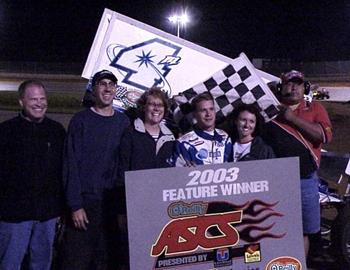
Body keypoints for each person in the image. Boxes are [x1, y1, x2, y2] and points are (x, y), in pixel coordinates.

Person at [59, 70, 130, 269]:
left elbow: (125, 164)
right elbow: (70, 164)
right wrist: (75, 205)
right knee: (76, 261)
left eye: (111, 84)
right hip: (85, 204)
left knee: (105, 261)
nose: (107, 88)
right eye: (102, 83)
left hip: (110, 205)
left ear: (116, 90)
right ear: (94, 89)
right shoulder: (81, 121)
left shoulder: (123, 122)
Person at [261, 70, 333, 257]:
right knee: (273, 227)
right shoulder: (269, 109)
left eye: (298, 84)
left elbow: (324, 136)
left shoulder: (315, 108)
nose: (293, 87)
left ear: (304, 87)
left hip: (305, 180)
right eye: (288, 83)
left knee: (304, 230)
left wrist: (292, 119)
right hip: (274, 182)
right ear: (280, 87)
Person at [0, 80, 66, 270]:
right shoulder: (6, 131)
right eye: (33, 99)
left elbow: (62, 171)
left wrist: (61, 208)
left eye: (42, 98)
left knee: (41, 264)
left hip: (47, 214)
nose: (39, 103)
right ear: (21, 102)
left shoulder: (56, 131)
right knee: (9, 263)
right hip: (14, 215)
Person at [117, 87, 176, 269]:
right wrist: (122, 210)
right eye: (151, 104)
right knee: (134, 257)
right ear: (144, 107)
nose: (156, 108)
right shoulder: (131, 133)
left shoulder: (171, 138)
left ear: (165, 109)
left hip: (161, 210)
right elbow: (122, 173)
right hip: (135, 209)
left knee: (158, 257)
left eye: (160, 105)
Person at [174, 92, 232, 166]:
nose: (208, 114)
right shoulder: (184, 143)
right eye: (203, 110)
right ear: (195, 114)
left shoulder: (225, 137)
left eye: (211, 109)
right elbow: (176, 174)